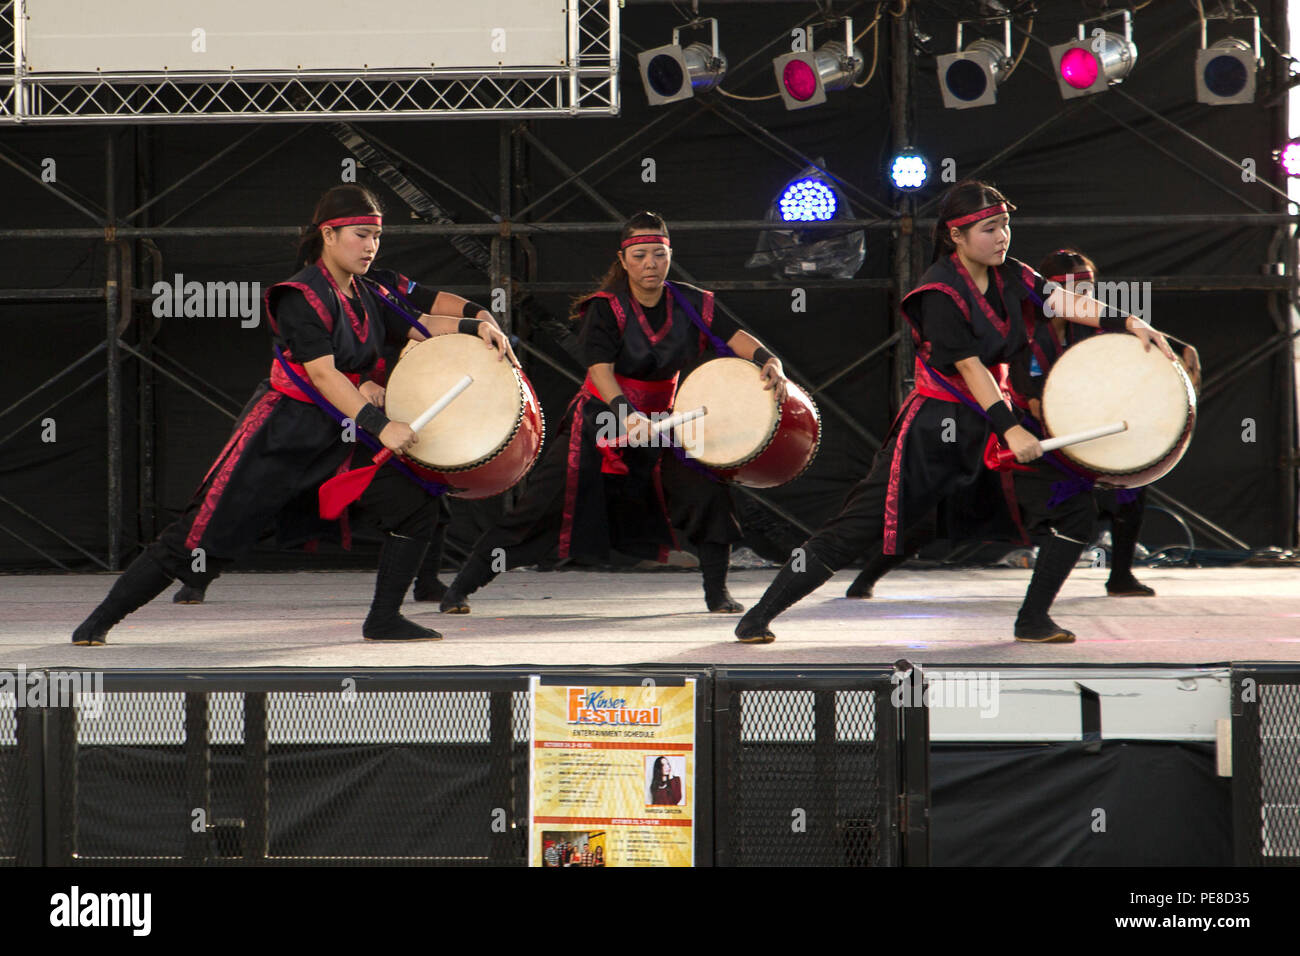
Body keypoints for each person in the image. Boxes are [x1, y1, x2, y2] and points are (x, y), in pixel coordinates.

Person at [734, 180, 1175, 645]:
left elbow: (1063, 301)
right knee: (856, 529)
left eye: (1005, 225)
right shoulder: (938, 291)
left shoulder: (1012, 275)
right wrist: (1010, 430)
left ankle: (1032, 620)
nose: (1002, 236)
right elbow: (970, 368)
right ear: (955, 236)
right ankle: (758, 616)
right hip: (935, 429)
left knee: (1073, 508)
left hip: (990, 423)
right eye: (989, 229)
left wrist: (1130, 321)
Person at [71, 185, 515, 645]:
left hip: (339, 435)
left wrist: (477, 326)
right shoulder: (299, 296)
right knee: (197, 536)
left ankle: (383, 619)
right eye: (360, 235)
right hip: (283, 433)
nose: (370, 246)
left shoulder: (370, 292)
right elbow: (324, 376)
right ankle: (97, 623)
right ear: (328, 234)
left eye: (376, 238)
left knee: (414, 506)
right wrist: (382, 427)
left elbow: (422, 325)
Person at [438, 211, 790, 615]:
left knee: (705, 490)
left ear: (669, 256)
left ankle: (717, 592)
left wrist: (769, 359)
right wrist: (626, 413)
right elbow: (599, 370)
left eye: (659, 254)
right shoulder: (605, 308)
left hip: (664, 422)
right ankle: (461, 588)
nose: (650, 265)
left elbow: (734, 335)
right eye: (640, 256)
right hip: (601, 419)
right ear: (623, 261)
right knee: (540, 506)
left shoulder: (692, 302)